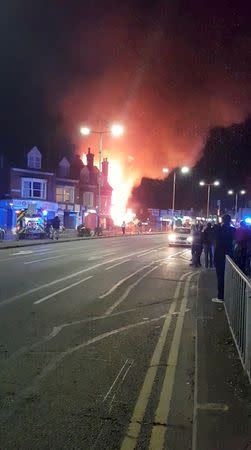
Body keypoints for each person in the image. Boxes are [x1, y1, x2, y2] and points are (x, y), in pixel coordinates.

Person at [212, 214, 236, 304]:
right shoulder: (233, 230)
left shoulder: (219, 229)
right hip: (229, 255)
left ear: (222, 220)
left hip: (219, 255)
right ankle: (226, 295)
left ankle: (220, 297)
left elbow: (213, 232)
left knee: (220, 276)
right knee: (227, 277)